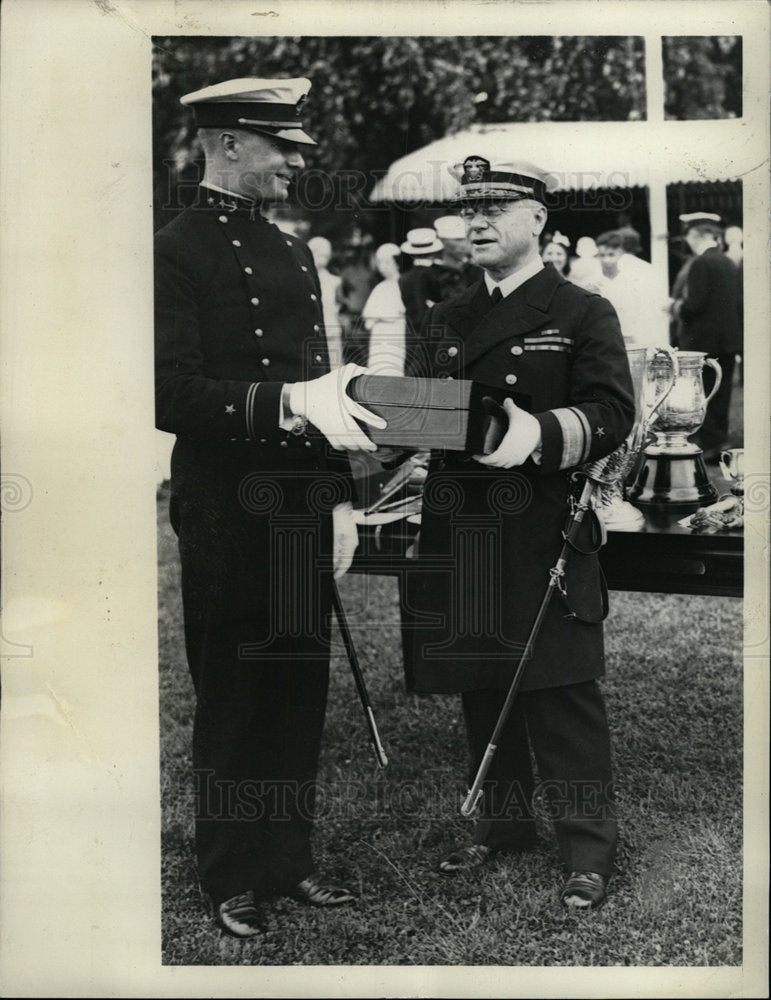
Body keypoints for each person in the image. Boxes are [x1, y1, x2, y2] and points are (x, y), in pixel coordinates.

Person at [154, 76, 386, 938]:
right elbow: (166, 391)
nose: (298, 159)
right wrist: (282, 405)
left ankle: (287, 861)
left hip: (296, 500)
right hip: (222, 502)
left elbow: (323, 391)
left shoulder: (292, 255)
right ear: (227, 144)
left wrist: (337, 504)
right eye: (281, 144)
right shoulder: (172, 251)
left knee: (296, 682)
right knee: (234, 687)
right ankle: (230, 874)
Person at [404, 155, 635, 910]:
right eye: (467, 209)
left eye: (495, 209)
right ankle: (502, 829)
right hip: (462, 521)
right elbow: (424, 418)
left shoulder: (579, 311)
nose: (476, 222)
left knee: (560, 685)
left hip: (542, 520)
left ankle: (586, 849)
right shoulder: (445, 317)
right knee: (481, 674)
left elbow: (611, 413)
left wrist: (527, 433)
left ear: (537, 219)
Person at [671, 212, 742, 460]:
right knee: (721, 395)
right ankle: (719, 442)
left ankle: (710, 445)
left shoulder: (700, 263)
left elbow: (695, 305)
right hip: (728, 340)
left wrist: (675, 306)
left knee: (705, 394)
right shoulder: (728, 262)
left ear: (696, 235)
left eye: (689, 235)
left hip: (705, 343)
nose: (687, 241)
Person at [595, 230, 668, 348]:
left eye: (611, 254)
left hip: (632, 336)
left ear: (620, 252)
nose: (606, 260)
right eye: (602, 255)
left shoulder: (630, 278)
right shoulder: (593, 278)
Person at [361, 242, 407, 375]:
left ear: (397, 262)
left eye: (387, 262)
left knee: (393, 366)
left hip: (395, 333)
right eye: (380, 263)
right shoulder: (380, 287)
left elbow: (398, 311)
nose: (383, 267)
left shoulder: (402, 284)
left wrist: (380, 315)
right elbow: (367, 312)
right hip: (379, 335)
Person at [397, 226, 445, 339]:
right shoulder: (438, 274)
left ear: (412, 254)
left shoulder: (404, 278)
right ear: (433, 252)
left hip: (412, 335)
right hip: (435, 334)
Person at [307, 235, 344, 367]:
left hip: (331, 329)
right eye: (319, 255)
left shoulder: (335, 281)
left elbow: (339, 305)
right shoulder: (305, 279)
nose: (323, 260)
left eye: (325, 256)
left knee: (334, 367)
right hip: (311, 332)